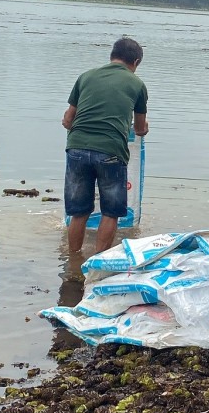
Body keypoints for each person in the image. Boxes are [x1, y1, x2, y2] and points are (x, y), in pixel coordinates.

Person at [62, 37, 149, 255]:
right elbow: (139, 128)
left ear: (112, 56)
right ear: (136, 62)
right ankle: (98, 265)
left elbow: (67, 120)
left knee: (79, 212)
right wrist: (143, 129)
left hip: (77, 149)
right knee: (110, 212)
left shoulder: (86, 77)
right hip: (111, 152)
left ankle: (73, 261)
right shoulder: (137, 84)